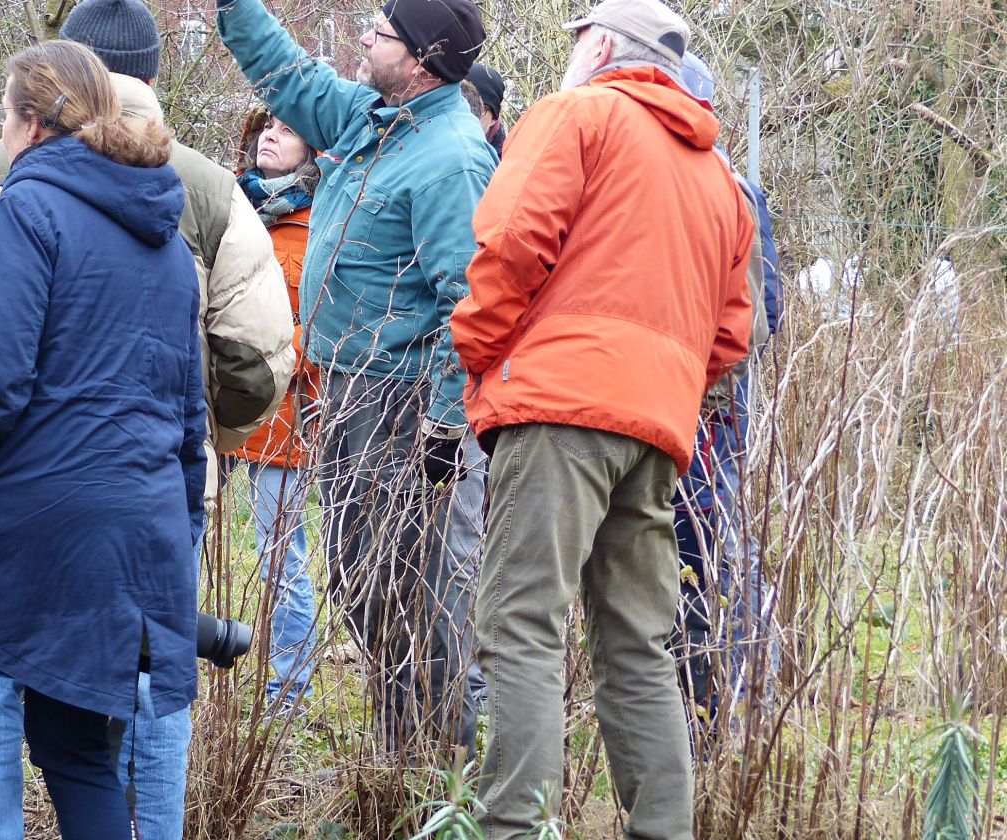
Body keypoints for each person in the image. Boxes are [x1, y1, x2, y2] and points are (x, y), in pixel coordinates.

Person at [0, 0, 294, 836]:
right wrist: (196, 439)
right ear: (152, 75)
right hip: (155, 485)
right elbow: (258, 355)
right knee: (148, 677)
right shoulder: (203, 185)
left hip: (10, 488)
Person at [0, 39, 204, 840]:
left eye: (2, 116)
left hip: (30, 516)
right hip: (136, 527)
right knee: (73, 745)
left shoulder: (28, 209)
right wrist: (178, 536)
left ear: (27, 125)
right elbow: (188, 413)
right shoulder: (168, 241)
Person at [448, 0, 755, 834]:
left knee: (520, 630)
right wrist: (664, 385)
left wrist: (477, 352)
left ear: (606, 48)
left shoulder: (578, 114)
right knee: (638, 650)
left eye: (578, 36)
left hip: (556, 409)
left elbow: (511, 241)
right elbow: (733, 331)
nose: (571, 49)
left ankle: (515, 828)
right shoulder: (718, 175)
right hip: (656, 431)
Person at [216, 0, 496, 761]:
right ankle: (400, 752)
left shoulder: (451, 160)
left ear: (421, 59)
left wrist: (443, 425)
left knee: (422, 591)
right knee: (360, 578)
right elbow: (287, 73)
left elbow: (465, 304)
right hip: (344, 396)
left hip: (403, 405)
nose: (365, 40)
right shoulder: (367, 118)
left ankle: (441, 774)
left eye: (380, 32)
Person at [672, 51, 784, 733]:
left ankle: (730, 701)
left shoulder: (733, 191)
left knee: (709, 547)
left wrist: (698, 372)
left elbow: (759, 316)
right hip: (652, 402)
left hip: (708, 410)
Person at [230, 108, 320, 712]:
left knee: (280, 558)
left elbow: (322, 331)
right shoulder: (230, 212)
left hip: (279, 414)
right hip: (209, 408)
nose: (270, 135)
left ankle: (287, 691)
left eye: (287, 130)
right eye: (265, 126)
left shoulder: (321, 225)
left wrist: (268, 368)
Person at [465, 63, 507, 155]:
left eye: (479, 109)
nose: (469, 116)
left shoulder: (505, 159)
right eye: (464, 105)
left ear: (493, 119)